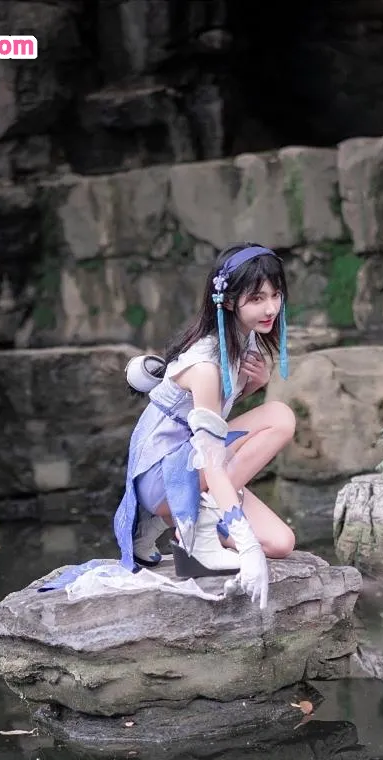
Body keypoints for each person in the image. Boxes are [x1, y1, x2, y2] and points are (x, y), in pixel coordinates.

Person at [113, 243, 298, 611]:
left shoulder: (242, 338)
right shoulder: (205, 363)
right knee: (280, 417)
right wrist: (247, 546)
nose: (270, 308)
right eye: (257, 298)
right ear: (227, 301)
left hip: (190, 463)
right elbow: (211, 460)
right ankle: (195, 532)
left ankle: (190, 527)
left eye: (275, 295)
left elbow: (214, 416)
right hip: (164, 475)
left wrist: (255, 385)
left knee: (280, 543)